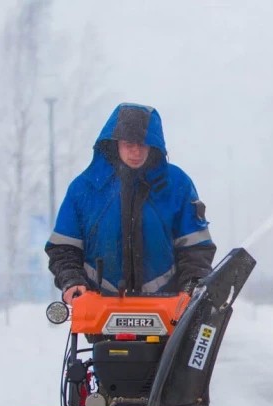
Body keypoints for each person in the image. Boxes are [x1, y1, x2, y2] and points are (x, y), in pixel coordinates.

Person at [46, 103, 216, 303]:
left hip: (168, 306)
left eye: (143, 144)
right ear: (114, 142)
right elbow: (64, 249)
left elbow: (196, 249)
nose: (136, 152)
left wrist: (192, 285)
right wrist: (72, 280)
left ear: (154, 145)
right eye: (129, 144)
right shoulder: (84, 188)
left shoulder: (177, 185)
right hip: (99, 305)